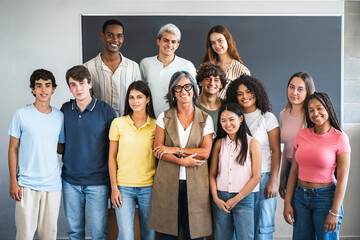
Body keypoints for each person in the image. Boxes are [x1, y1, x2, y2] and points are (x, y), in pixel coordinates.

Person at [149, 71, 214, 239]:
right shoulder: (164, 116)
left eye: (187, 86)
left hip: (197, 183)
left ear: (194, 89)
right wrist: (182, 162)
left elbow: (205, 152)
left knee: (195, 232)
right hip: (168, 181)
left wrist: (174, 149)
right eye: (178, 88)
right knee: (169, 233)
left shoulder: (205, 118)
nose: (183, 91)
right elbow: (158, 150)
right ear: (173, 92)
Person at [59, 65, 117, 240]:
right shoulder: (65, 110)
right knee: (75, 232)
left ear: (90, 84)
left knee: (99, 233)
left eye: (82, 83)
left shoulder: (106, 111)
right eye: (73, 85)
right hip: (70, 181)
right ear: (69, 88)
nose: (78, 89)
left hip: (98, 182)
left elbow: (115, 150)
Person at [283, 92, 351, 239]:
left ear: (328, 108)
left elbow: (342, 179)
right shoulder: (301, 134)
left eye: (319, 108)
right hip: (300, 197)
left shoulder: (340, 138)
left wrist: (335, 211)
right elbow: (294, 171)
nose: (315, 113)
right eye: (311, 110)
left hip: (326, 199)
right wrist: (287, 202)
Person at [8, 69, 64, 240]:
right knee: (24, 235)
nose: (43, 90)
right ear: (33, 89)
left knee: (49, 235)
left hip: (52, 185)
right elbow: (13, 149)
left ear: (53, 89)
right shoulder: (21, 114)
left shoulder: (60, 116)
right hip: (26, 184)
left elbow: (60, 148)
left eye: (47, 85)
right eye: (38, 86)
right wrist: (13, 181)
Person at [225, 75, 280, 240]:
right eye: (240, 93)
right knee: (243, 230)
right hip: (240, 178)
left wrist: (273, 181)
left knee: (263, 229)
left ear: (257, 93)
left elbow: (276, 151)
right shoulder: (233, 118)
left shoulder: (267, 117)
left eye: (248, 92)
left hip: (263, 177)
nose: (245, 96)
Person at [108, 81, 157, 240]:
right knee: (125, 235)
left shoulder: (157, 126)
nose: (135, 101)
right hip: (123, 187)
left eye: (139, 97)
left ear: (147, 99)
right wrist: (114, 187)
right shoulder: (118, 123)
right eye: (131, 97)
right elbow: (111, 158)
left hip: (149, 187)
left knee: (149, 235)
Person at [209, 102, 261, 240]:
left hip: (244, 199)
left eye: (231, 119)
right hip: (221, 198)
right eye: (223, 120)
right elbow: (212, 174)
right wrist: (216, 199)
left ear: (241, 119)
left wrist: (236, 199)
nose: (228, 124)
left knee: (246, 237)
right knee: (221, 237)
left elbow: (256, 178)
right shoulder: (219, 144)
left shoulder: (253, 144)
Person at [84, 19, 141, 116]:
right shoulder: (88, 68)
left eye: (119, 36)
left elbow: (139, 99)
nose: (115, 40)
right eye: (110, 35)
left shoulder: (133, 67)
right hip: (99, 125)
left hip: (127, 126)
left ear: (123, 38)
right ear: (102, 36)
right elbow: (85, 101)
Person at [140, 23, 196, 116]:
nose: (169, 45)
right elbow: (140, 93)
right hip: (150, 120)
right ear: (158, 41)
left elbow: (194, 95)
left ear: (177, 45)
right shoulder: (145, 64)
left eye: (173, 42)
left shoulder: (187, 66)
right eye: (166, 40)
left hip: (177, 120)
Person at [278, 72, 315, 199]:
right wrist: (282, 178)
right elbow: (286, 148)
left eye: (300, 89)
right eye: (291, 87)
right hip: (289, 168)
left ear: (307, 92)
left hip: (307, 171)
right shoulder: (283, 114)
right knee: (294, 214)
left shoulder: (312, 116)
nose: (294, 93)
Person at [203, 25, 250, 100]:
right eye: (213, 42)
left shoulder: (241, 70)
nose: (217, 45)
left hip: (228, 110)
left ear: (228, 40)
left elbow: (246, 98)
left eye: (220, 40)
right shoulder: (206, 67)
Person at [196, 62, 227, 132]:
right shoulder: (190, 104)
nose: (212, 83)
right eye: (207, 79)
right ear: (200, 82)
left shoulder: (226, 106)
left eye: (216, 80)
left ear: (221, 84)